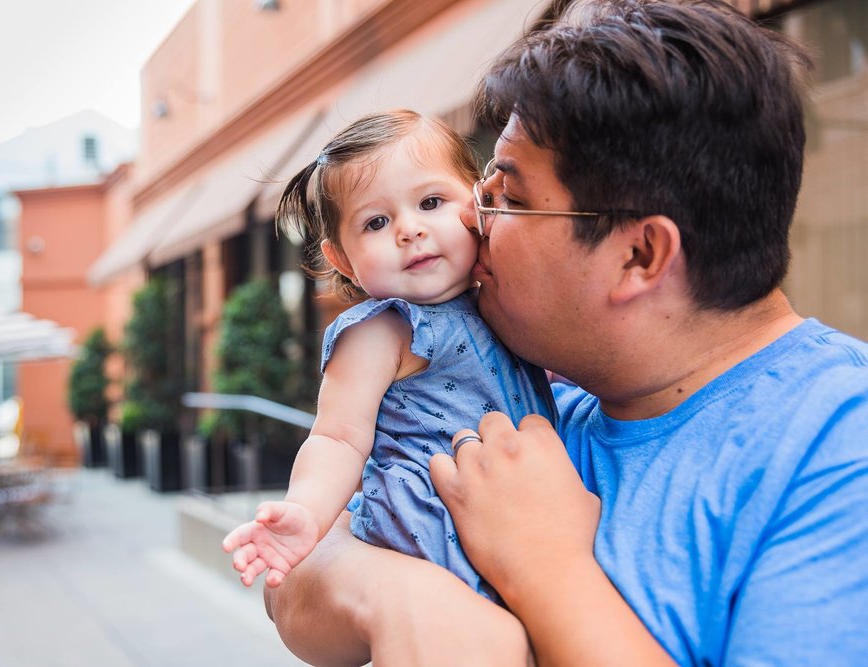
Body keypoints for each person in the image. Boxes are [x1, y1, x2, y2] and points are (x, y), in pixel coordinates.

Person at [263, 1, 868, 666]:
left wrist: (546, 568)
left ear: (639, 255)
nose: (473, 220)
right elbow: (293, 580)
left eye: (510, 199)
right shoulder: (546, 409)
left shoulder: (839, 446)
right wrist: (392, 593)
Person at [221, 110, 556, 601]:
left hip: (519, 519)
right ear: (341, 259)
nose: (409, 229)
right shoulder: (384, 329)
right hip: (431, 532)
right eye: (376, 222)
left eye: (431, 201)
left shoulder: (502, 296)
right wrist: (308, 512)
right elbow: (337, 438)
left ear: (477, 200)